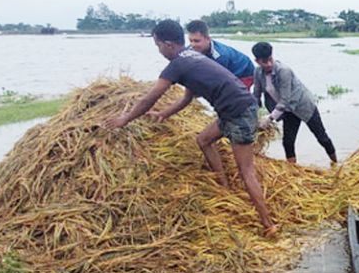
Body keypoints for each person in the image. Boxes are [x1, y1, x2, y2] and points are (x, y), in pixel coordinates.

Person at [102, 19, 276, 236]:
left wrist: (124, 119)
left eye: (158, 45)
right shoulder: (191, 57)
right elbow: (187, 98)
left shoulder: (177, 65)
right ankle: (223, 185)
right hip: (232, 109)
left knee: (246, 170)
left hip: (238, 111)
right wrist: (164, 114)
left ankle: (268, 224)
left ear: (168, 44)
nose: (159, 50)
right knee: (203, 140)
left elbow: (149, 98)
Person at [251, 42, 337, 165]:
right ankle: (292, 170)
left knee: (322, 137)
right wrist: (255, 116)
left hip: (303, 106)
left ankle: (336, 164)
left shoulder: (284, 71)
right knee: (288, 142)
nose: (269, 64)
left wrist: (269, 119)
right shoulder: (258, 73)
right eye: (264, 62)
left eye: (270, 59)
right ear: (257, 61)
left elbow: (285, 100)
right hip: (288, 111)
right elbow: (256, 95)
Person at [186, 20, 256, 88]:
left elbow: (219, 82)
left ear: (208, 39)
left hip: (244, 72)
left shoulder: (220, 56)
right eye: (190, 41)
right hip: (227, 71)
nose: (193, 45)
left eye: (197, 41)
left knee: (231, 93)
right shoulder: (189, 50)